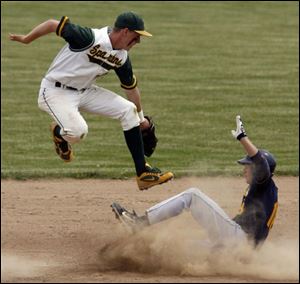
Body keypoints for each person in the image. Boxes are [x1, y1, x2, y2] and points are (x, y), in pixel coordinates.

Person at [9, 11, 174, 190]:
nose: (138, 42)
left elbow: (131, 89)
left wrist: (140, 119)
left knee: (128, 110)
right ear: (125, 31)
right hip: (54, 91)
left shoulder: (121, 56)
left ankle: (143, 173)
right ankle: (59, 133)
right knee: (78, 132)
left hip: (85, 91)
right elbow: (51, 24)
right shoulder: (90, 38)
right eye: (136, 37)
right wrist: (26, 39)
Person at [111, 115, 279, 247]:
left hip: (238, 240)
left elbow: (261, 163)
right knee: (181, 250)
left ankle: (139, 223)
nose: (245, 169)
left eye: (248, 165)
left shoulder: (263, 183)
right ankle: (131, 256)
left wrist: (243, 137)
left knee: (192, 196)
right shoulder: (264, 189)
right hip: (237, 248)